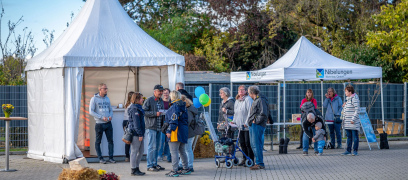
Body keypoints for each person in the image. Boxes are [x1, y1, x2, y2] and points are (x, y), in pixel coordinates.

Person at [165, 91, 191, 177]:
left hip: (176, 132)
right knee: (182, 151)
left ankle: (174, 170)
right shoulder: (183, 105)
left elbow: (173, 120)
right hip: (183, 131)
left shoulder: (175, 106)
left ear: (172, 97)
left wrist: (169, 130)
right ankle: (186, 168)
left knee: (174, 152)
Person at [89, 83, 115, 164]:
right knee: (98, 141)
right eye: (105, 89)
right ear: (100, 90)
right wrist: (101, 117)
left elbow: (110, 109)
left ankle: (111, 158)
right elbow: (91, 111)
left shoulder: (107, 99)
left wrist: (110, 116)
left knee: (110, 141)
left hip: (108, 123)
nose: (106, 90)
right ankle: (100, 158)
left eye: (106, 88)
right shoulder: (94, 99)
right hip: (99, 124)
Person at [143, 84, 166, 172]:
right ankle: (149, 165)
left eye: (161, 91)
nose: (161, 93)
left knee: (157, 146)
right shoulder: (149, 100)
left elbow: (161, 112)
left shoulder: (161, 101)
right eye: (159, 91)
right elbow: (144, 111)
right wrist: (155, 114)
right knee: (152, 146)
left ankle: (154, 164)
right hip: (151, 126)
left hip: (159, 127)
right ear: (154, 91)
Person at [231, 85, 254, 166]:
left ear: (246, 91)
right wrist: (234, 121)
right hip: (239, 126)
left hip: (246, 126)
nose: (240, 91)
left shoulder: (248, 99)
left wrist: (247, 123)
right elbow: (235, 113)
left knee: (248, 143)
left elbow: (250, 112)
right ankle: (244, 158)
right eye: (239, 90)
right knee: (242, 143)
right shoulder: (237, 101)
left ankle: (250, 159)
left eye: (242, 90)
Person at [247, 86, 268, 170]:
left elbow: (264, 113)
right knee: (253, 144)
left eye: (249, 93)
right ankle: (258, 162)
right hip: (253, 124)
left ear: (252, 93)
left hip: (257, 125)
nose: (248, 94)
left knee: (257, 144)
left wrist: (256, 121)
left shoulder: (260, 99)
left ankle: (260, 163)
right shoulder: (257, 99)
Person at [128, 92, 146, 176]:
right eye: (141, 98)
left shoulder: (139, 108)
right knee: (134, 151)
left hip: (140, 133)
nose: (143, 99)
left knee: (141, 151)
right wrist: (140, 134)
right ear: (137, 99)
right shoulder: (134, 109)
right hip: (136, 133)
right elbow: (136, 123)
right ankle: (133, 169)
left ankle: (136, 167)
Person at [179, 95, 198, 172]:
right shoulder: (191, 108)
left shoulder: (188, 110)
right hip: (190, 131)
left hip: (188, 132)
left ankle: (190, 165)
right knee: (184, 149)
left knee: (187, 149)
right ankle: (182, 164)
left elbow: (188, 121)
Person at [341, 85, 361, 156]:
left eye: (346, 91)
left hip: (353, 122)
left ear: (350, 92)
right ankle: (348, 150)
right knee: (349, 137)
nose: (345, 93)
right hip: (347, 123)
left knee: (355, 136)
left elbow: (357, 110)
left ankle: (355, 150)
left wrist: (353, 119)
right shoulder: (348, 100)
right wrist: (344, 106)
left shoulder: (354, 99)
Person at [158, 88, 172, 163]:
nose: (165, 94)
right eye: (164, 93)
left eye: (167, 93)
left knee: (167, 140)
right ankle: (159, 155)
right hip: (161, 122)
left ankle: (166, 155)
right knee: (161, 140)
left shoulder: (171, 102)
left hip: (169, 123)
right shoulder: (160, 102)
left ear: (169, 94)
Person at [123, 91, 135, 162]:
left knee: (127, 139)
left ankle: (127, 156)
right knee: (130, 139)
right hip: (129, 122)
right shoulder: (132, 105)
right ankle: (129, 156)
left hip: (125, 122)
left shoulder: (127, 104)